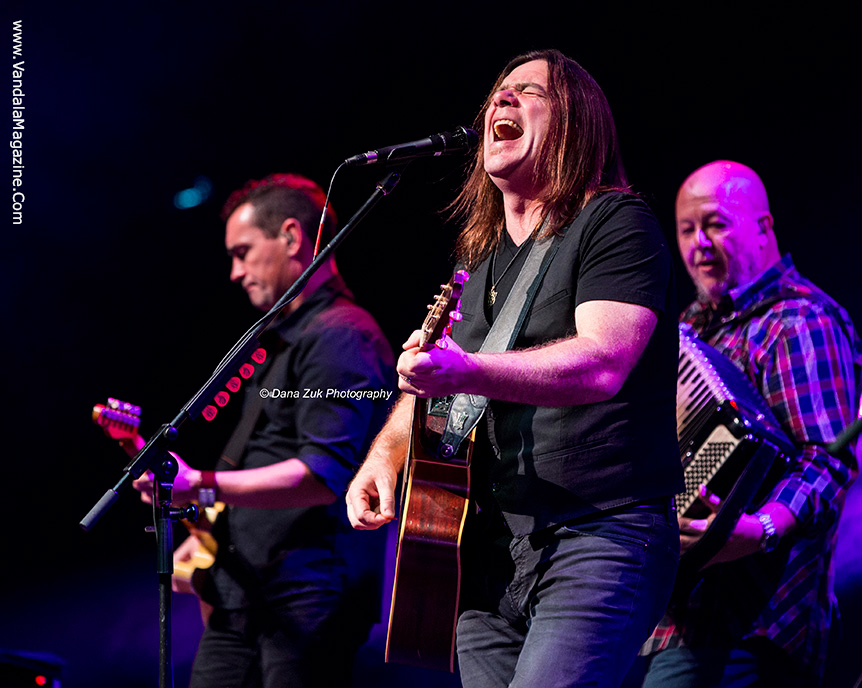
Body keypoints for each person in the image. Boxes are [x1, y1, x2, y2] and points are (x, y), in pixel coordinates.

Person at [345, 49, 684, 688]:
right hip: (489, 558)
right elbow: (435, 385)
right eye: (498, 93)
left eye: (529, 92)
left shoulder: (616, 222)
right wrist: (385, 457)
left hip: (599, 533)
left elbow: (602, 364)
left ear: (576, 124)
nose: (501, 101)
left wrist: (464, 370)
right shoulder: (477, 266)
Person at [132, 173, 396, 687]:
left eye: (243, 251)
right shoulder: (288, 338)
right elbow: (267, 457)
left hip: (306, 596)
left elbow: (323, 475)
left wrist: (201, 484)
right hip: (247, 590)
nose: (234, 271)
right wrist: (215, 526)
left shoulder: (342, 336)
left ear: (293, 238)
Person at [640, 160, 862, 687]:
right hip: (674, 619)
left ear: (763, 226)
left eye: (715, 224)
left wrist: (760, 528)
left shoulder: (801, 320)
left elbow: (827, 459)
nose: (699, 244)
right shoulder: (687, 329)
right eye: (687, 229)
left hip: (758, 623)